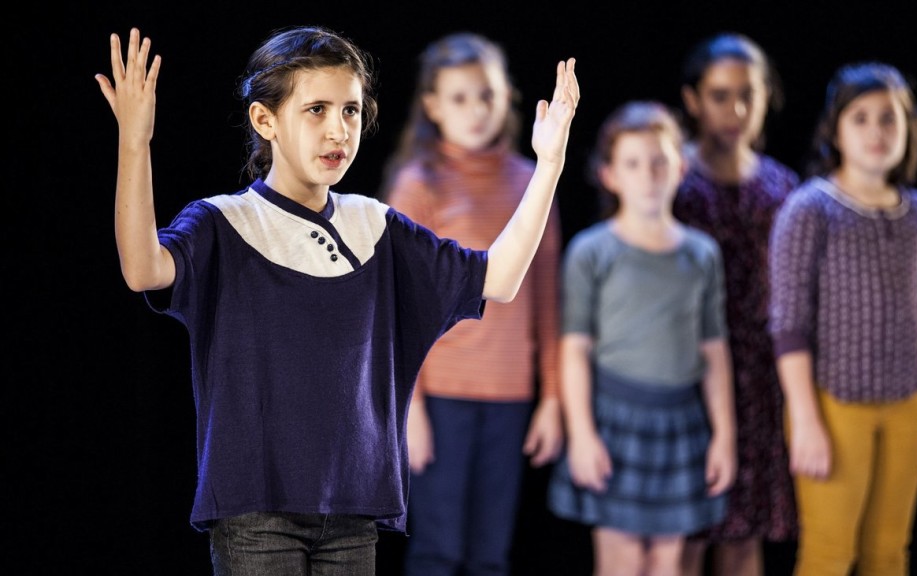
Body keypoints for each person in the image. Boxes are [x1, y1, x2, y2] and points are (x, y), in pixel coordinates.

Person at [95, 26, 579, 575]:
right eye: (317, 110)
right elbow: (142, 269)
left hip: (352, 510)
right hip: (257, 510)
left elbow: (500, 278)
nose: (338, 130)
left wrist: (549, 166)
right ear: (265, 121)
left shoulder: (374, 225)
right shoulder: (224, 223)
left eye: (350, 111)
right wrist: (134, 143)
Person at [378, 32, 563, 576]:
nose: (477, 109)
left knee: (490, 554)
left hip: (509, 396)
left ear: (507, 96)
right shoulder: (419, 185)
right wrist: (411, 406)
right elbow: (398, 307)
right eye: (460, 98)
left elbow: (546, 299)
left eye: (487, 94)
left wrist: (552, 397)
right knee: (437, 550)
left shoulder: (531, 183)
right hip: (442, 400)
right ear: (432, 106)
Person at [768, 62, 917, 576]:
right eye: (862, 119)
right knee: (830, 554)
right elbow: (788, 322)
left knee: (889, 553)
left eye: (889, 119)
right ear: (837, 130)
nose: (877, 132)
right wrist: (804, 417)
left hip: (905, 405)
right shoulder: (810, 209)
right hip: (835, 404)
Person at [547, 100, 736, 576]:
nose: (649, 174)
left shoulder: (702, 253)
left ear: (681, 167)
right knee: (622, 561)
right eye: (633, 163)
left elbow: (714, 351)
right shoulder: (593, 251)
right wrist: (583, 434)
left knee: (670, 563)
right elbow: (574, 350)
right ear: (611, 176)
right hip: (616, 421)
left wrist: (725, 438)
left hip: (680, 423)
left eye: (659, 161)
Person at [672, 32, 799, 576]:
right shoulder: (671, 178)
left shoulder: (783, 187)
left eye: (749, 93)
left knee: (745, 533)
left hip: (761, 379)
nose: (737, 109)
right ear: (693, 99)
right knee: (686, 534)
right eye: (720, 95)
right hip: (687, 371)